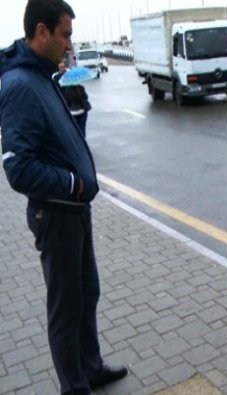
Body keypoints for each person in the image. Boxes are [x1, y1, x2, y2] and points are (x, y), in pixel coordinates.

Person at [0, 1, 127, 393]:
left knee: (87, 292)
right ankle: (75, 387)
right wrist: (73, 184)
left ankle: (90, 367)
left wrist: (72, 94)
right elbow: (18, 169)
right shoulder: (21, 85)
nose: (69, 43)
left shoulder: (42, 76)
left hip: (75, 212)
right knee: (65, 309)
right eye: (65, 35)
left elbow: (63, 134)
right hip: (56, 216)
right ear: (42, 32)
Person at [55, 60, 92, 136]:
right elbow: (85, 97)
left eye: (63, 67)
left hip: (72, 112)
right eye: (61, 67)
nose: (62, 69)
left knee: (74, 130)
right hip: (82, 111)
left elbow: (66, 100)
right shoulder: (80, 88)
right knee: (82, 129)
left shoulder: (67, 90)